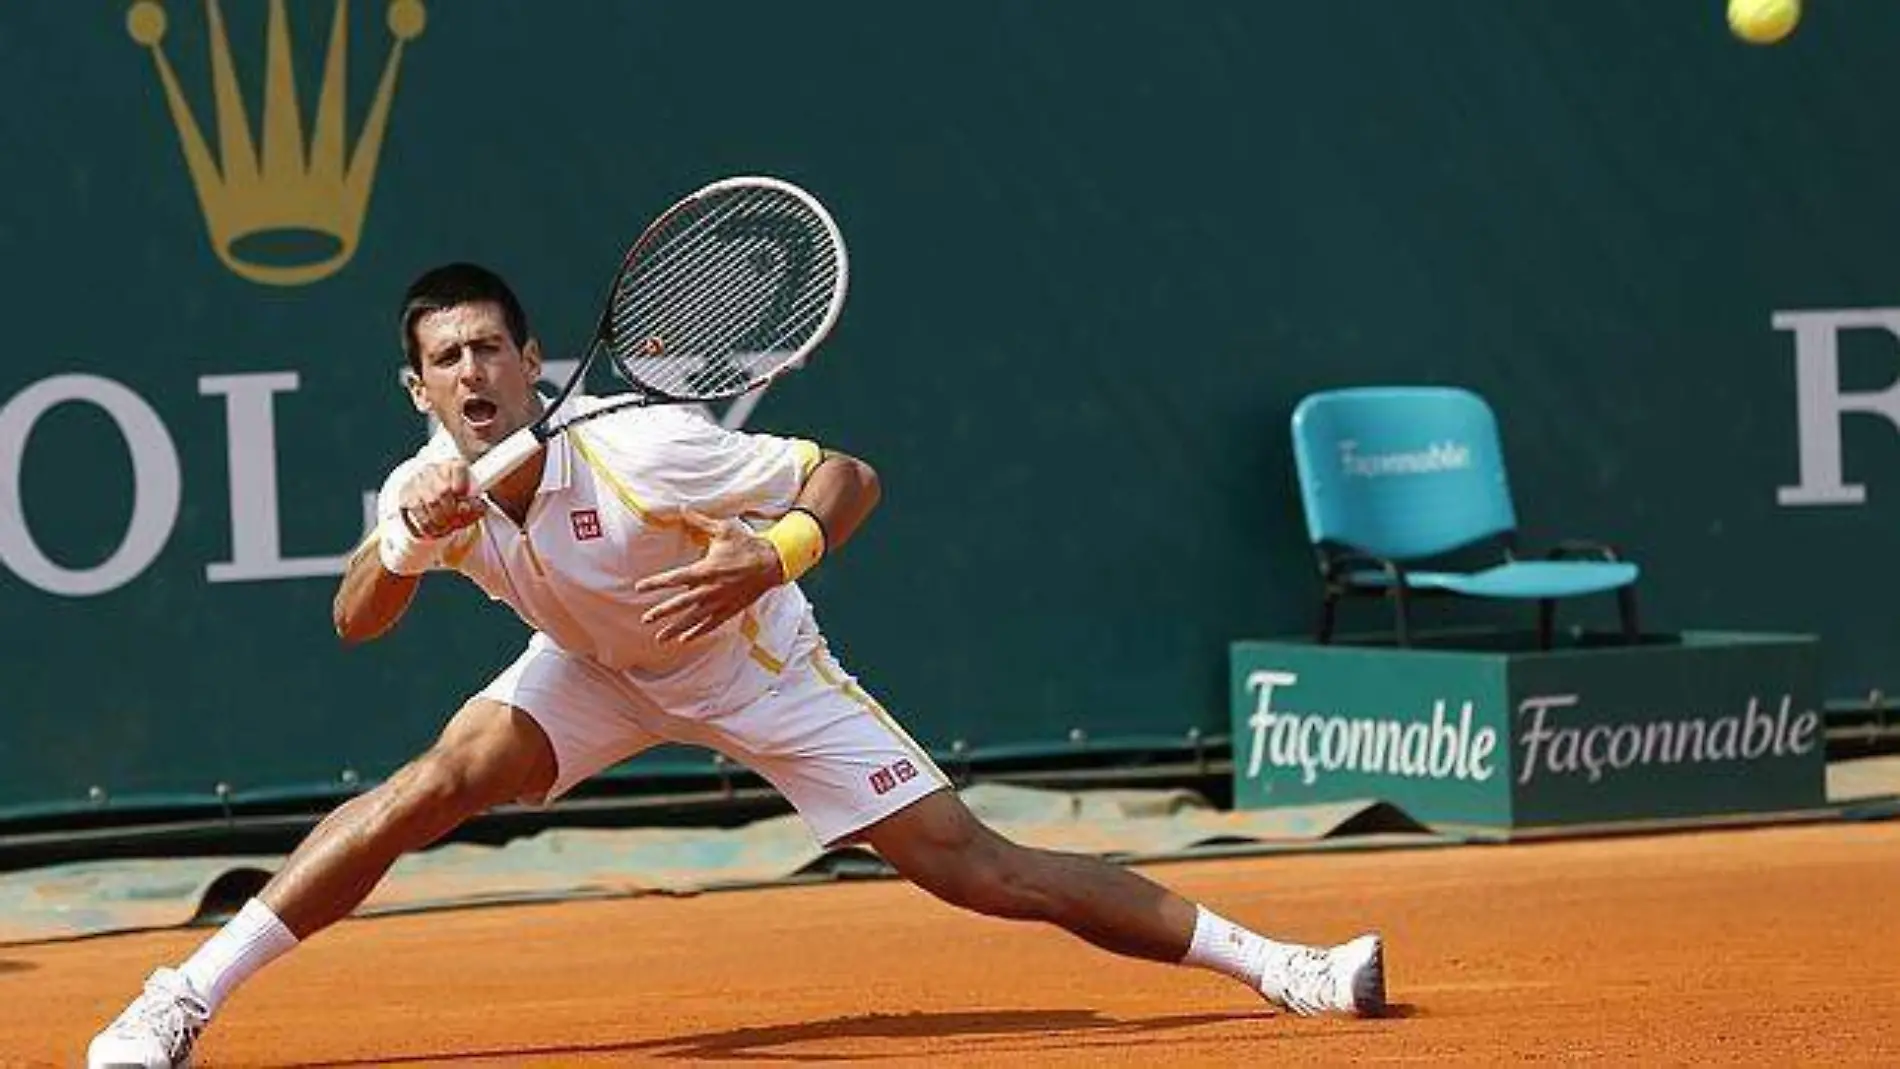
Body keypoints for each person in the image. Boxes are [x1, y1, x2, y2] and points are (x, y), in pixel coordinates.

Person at [88, 262, 1384, 1067]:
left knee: (977, 870)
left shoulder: (646, 447)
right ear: (415, 386)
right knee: (432, 782)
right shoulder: (427, 486)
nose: (473, 371)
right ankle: (180, 1001)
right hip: (593, 669)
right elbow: (355, 619)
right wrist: (403, 534)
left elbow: (851, 475)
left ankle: (1286, 970)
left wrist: (776, 555)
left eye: (491, 348)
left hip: (757, 664)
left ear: (531, 365)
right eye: (447, 358)